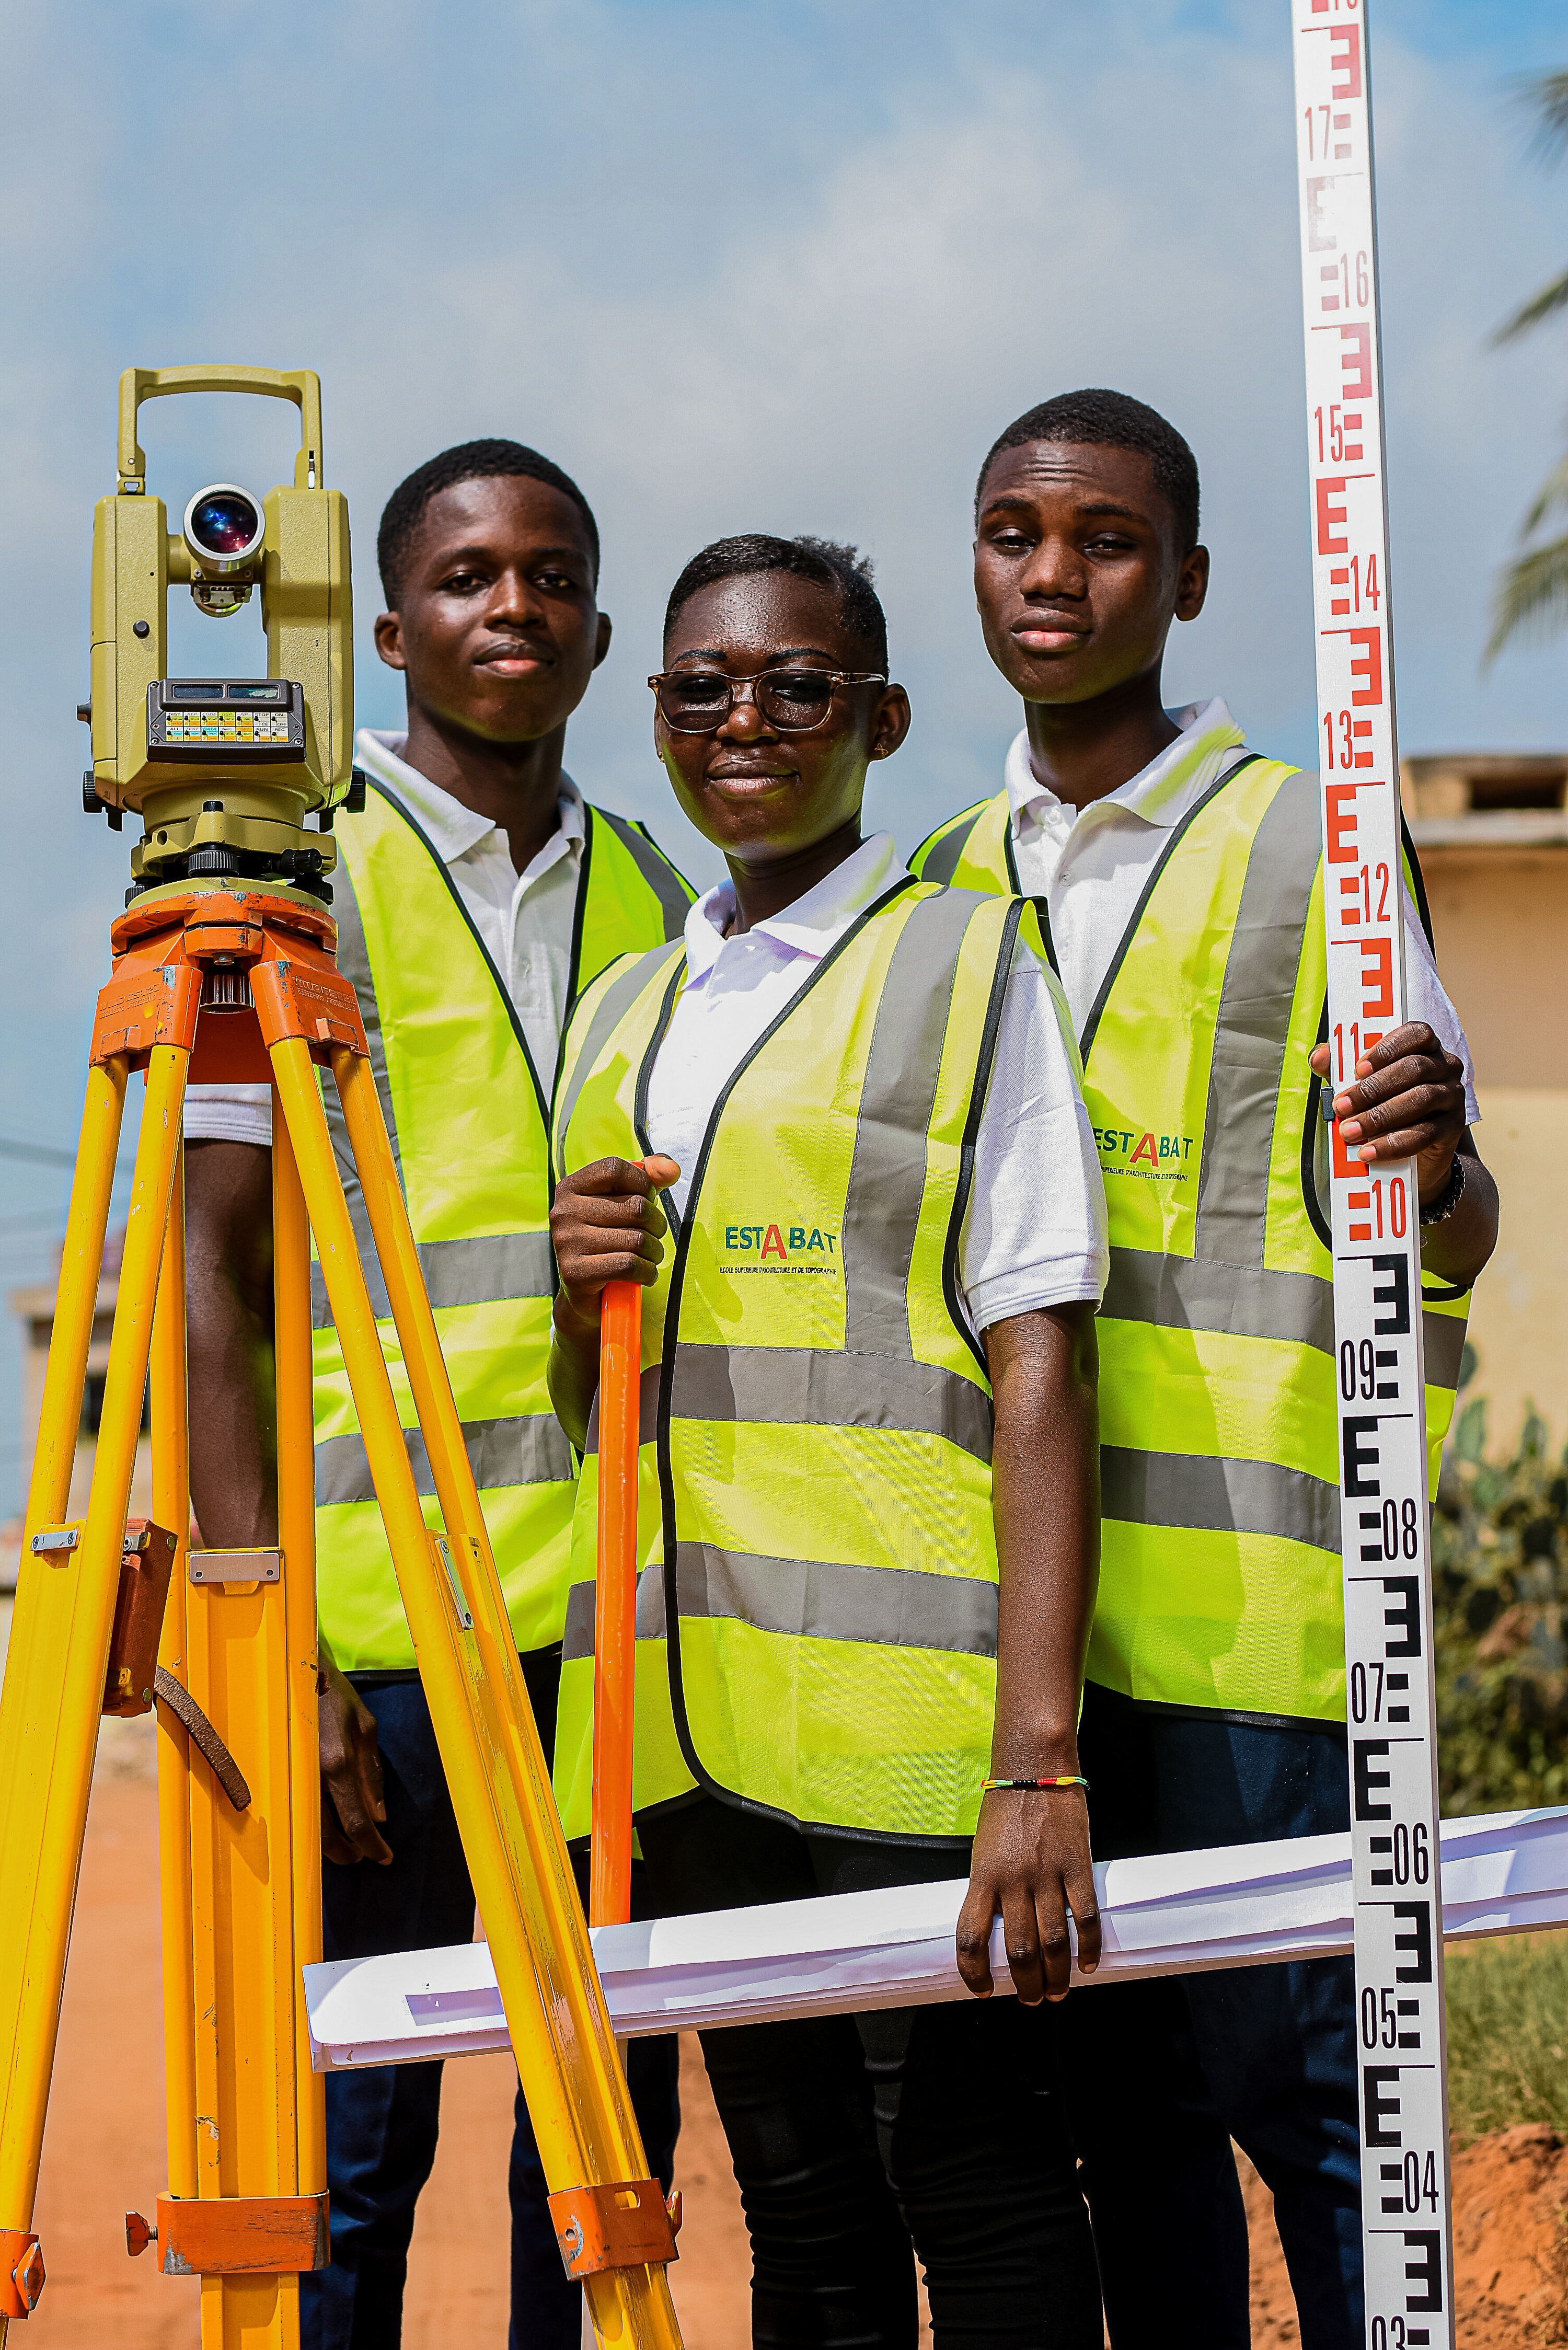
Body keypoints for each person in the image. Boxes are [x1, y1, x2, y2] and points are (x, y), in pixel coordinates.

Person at [910, 388, 1500, 2350]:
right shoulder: (928, 870)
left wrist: (1443, 1159)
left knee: (1316, 2115)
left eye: (1105, 538)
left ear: (1190, 578)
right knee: (1122, 2131)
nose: (1053, 574)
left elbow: (1457, 1223)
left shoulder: (1316, 840)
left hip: (1263, 1623)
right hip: (1017, 1646)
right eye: (1016, 533)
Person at [547, 531, 1111, 2349]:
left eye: (794, 686)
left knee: (983, 2189)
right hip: (681, 1738)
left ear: (877, 716)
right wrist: (580, 1295)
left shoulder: (962, 961)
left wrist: (1038, 1761)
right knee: (798, 2212)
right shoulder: (627, 1004)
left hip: (909, 1746)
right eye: (702, 688)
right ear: (657, 719)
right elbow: (606, 1409)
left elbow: (1043, 1355)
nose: (744, 720)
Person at [183, 439, 689, 2349]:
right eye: (470, 578)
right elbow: (210, 1283)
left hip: (609, 1633)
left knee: (593, 2140)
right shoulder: (295, 877)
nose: (513, 608)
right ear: (387, 627)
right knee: (357, 2157)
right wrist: (273, 1636)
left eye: (550, 577)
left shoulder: (656, 879)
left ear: (597, 630)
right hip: (377, 1640)